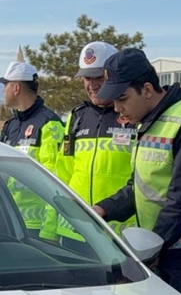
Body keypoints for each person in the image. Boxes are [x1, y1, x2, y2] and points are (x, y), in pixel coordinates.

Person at [91, 49, 181, 295]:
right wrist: (103, 209)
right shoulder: (149, 121)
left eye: (122, 98)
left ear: (146, 89)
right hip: (163, 249)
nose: (117, 108)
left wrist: (151, 246)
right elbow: (142, 185)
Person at [55, 41, 137, 244]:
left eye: (99, 77)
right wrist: (51, 231)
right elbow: (62, 176)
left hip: (119, 236)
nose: (92, 85)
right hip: (74, 233)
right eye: (86, 78)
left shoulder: (135, 115)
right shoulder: (77, 117)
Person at [0, 61, 64, 237]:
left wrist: (49, 230)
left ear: (16, 88)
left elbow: (55, 181)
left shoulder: (49, 124)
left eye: (5, 85)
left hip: (36, 227)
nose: (3, 91)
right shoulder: (10, 125)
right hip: (8, 221)